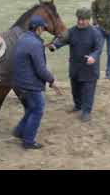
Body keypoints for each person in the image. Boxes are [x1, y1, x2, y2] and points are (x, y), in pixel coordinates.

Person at [11, 15, 57, 150]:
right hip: (30, 84)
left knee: (31, 108)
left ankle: (19, 131)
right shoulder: (35, 44)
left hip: (19, 82)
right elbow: (41, 69)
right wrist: (51, 80)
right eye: (42, 28)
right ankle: (28, 141)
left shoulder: (23, 38)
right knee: (38, 109)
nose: (43, 30)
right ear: (38, 29)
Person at [48, 8, 102, 122]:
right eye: (79, 19)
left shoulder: (95, 33)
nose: (80, 22)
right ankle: (78, 106)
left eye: (83, 20)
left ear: (89, 20)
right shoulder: (72, 31)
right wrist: (54, 46)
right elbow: (62, 39)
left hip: (89, 69)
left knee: (88, 91)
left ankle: (86, 111)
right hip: (75, 67)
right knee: (75, 89)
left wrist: (93, 57)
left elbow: (98, 49)